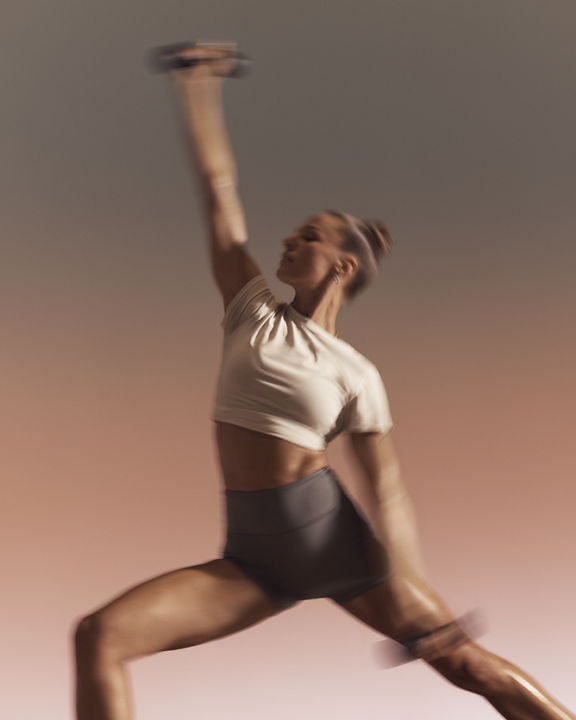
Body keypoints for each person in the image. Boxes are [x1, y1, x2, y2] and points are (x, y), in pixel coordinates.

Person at [73, 45, 575, 720]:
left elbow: (386, 488)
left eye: (305, 236)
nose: (287, 241)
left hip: (340, 548)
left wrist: (407, 573)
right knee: (99, 635)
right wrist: (197, 85)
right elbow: (219, 191)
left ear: (342, 264)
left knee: (465, 665)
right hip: (254, 559)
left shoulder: (356, 374)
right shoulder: (249, 310)